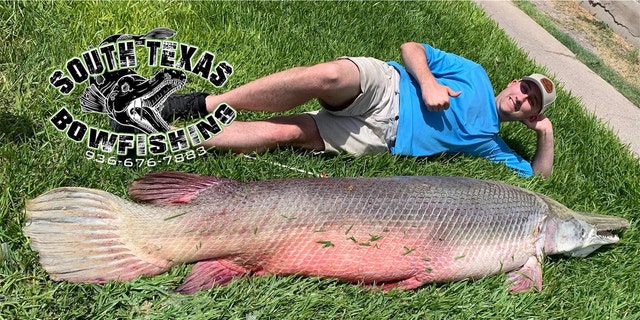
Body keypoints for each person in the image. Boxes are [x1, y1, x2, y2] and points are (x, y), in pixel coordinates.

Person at [154, 42, 557, 177]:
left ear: (529, 115)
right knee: (327, 76)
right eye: (524, 87)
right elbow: (411, 49)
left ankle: (164, 138)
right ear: (512, 83)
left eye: (531, 103)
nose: (521, 97)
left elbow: (539, 177)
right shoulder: (475, 75)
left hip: (382, 138)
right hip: (388, 86)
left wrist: (546, 134)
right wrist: (429, 82)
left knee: (287, 134)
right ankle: (199, 103)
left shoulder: (492, 144)